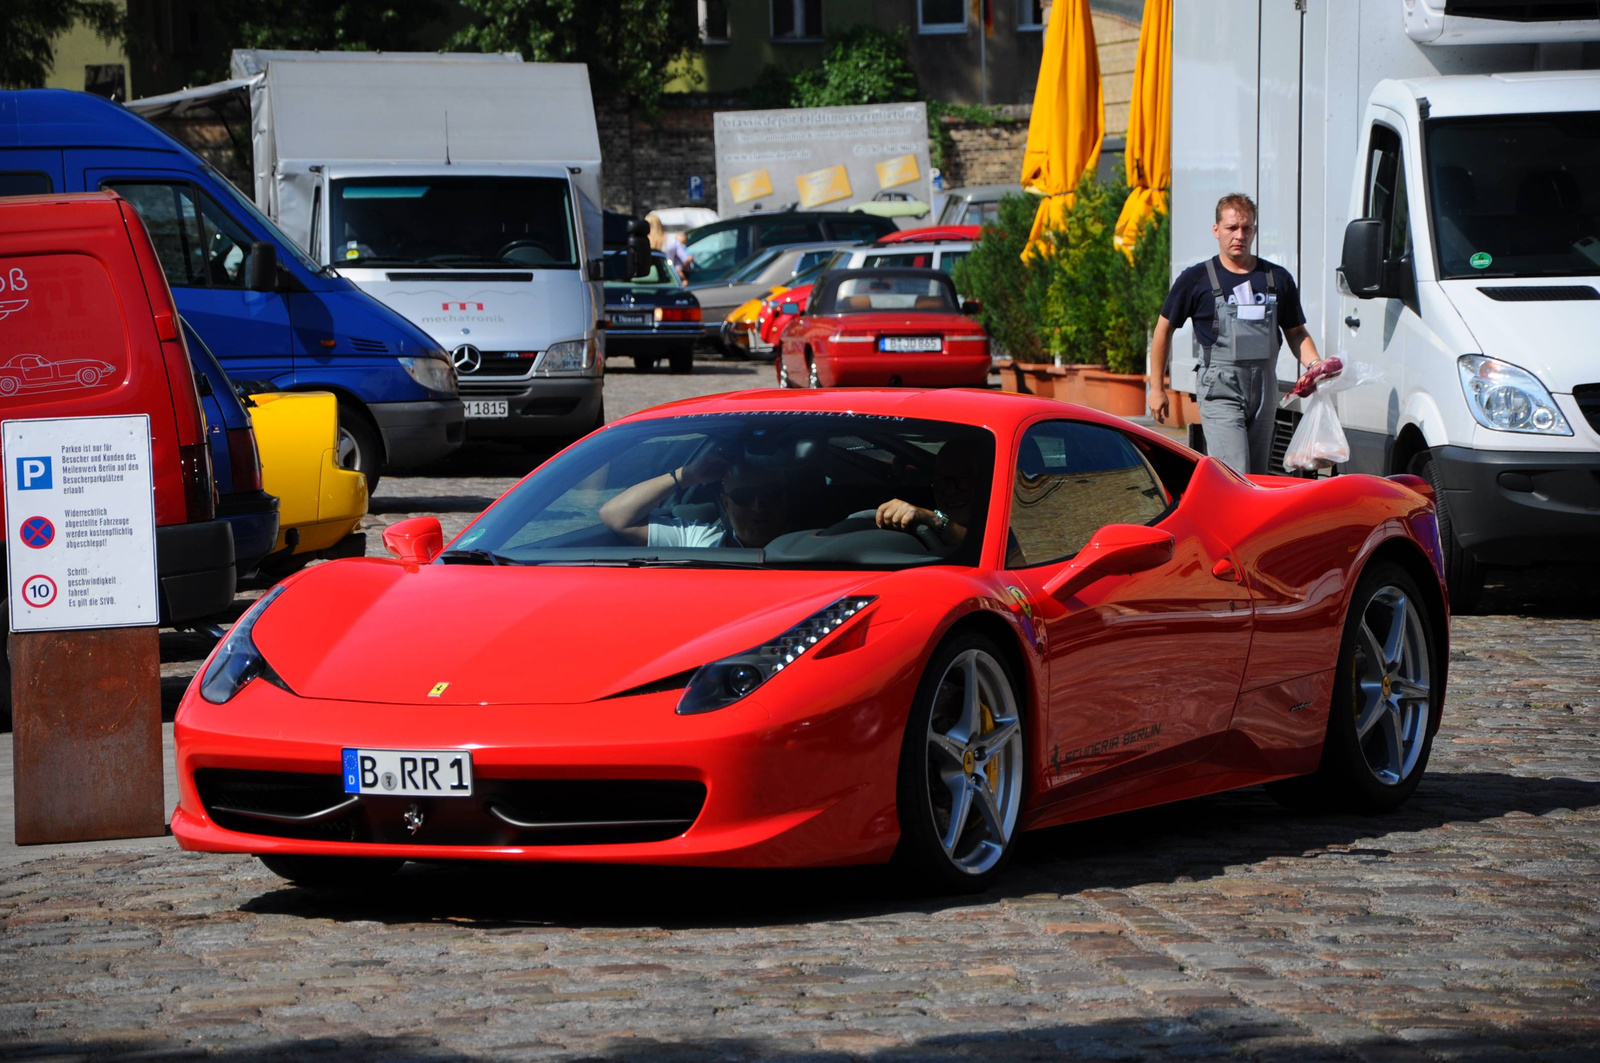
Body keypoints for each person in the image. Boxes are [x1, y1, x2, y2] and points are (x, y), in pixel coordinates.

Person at [1147, 193, 1326, 475]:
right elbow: (1163, 330)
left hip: (1265, 389)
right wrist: (1157, 387)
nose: (1239, 235)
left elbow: (1296, 332)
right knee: (1235, 472)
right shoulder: (1196, 279)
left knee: (1256, 477)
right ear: (1216, 230)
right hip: (1221, 389)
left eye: (1247, 228)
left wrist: (1315, 366)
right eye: (1232, 228)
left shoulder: (1276, 278)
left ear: (1254, 230)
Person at [599, 447, 790, 548]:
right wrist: (686, 475)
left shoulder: (816, 544)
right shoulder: (699, 539)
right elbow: (614, 515)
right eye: (744, 496)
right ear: (726, 503)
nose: (758, 506)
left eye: (768, 495)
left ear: (783, 498)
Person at [875, 437, 985, 551]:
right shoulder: (917, 533)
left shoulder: (1002, 530)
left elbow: (983, 547)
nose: (949, 490)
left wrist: (934, 520)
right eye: (941, 480)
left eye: (964, 479)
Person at [646, 212, 694, 283]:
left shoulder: (642, 241)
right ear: (660, 225)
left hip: (645, 277)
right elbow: (685, 260)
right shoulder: (671, 241)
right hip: (668, 277)